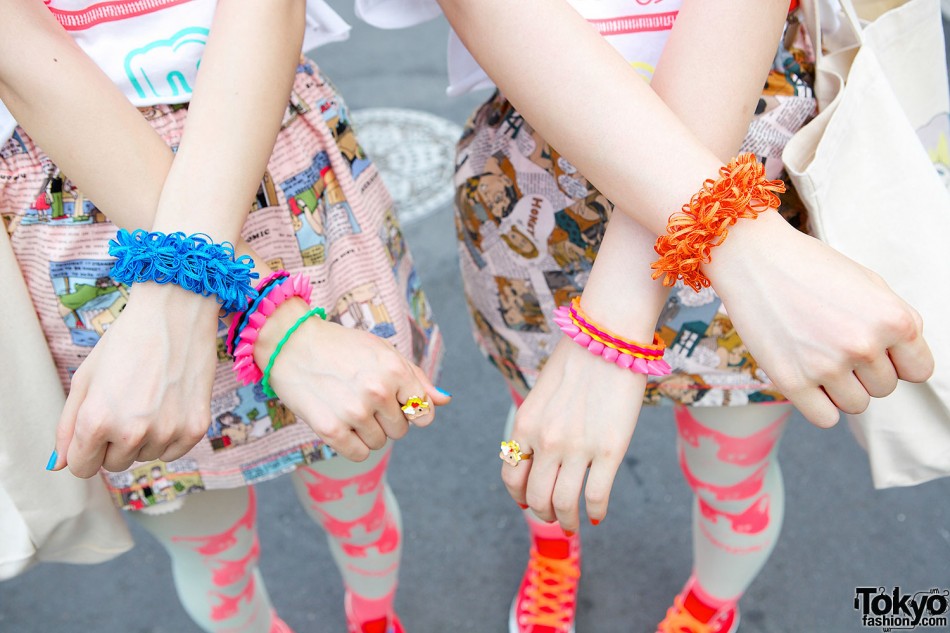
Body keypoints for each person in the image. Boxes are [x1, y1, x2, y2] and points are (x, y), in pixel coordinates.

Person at [358, 1, 934, 631]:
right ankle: (553, 549)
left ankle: (708, 608)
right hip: (545, 194)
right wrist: (616, 326)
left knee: (731, 470)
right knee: (547, 427)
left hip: (754, 165)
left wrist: (610, 326)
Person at [0, 2, 451, 632]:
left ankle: (374, 619)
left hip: (257, 131)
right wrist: (271, 316)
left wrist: (251, 308)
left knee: (354, 490)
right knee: (213, 547)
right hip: (80, 185)